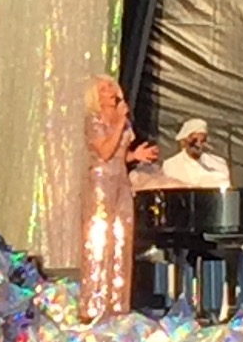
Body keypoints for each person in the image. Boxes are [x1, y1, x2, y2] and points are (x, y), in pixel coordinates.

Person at [80, 74, 158, 321]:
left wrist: (136, 156)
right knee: (100, 238)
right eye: (105, 88)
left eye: (112, 86)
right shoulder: (94, 120)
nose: (111, 90)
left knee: (122, 237)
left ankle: (118, 304)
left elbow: (119, 155)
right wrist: (119, 121)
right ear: (96, 95)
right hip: (100, 182)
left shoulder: (124, 121)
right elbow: (104, 152)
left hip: (122, 181)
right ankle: (93, 305)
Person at [162, 118, 231, 188]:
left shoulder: (219, 164)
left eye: (202, 141)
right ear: (185, 141)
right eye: (194, 140)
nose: (198, 144)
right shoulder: (170, 165)